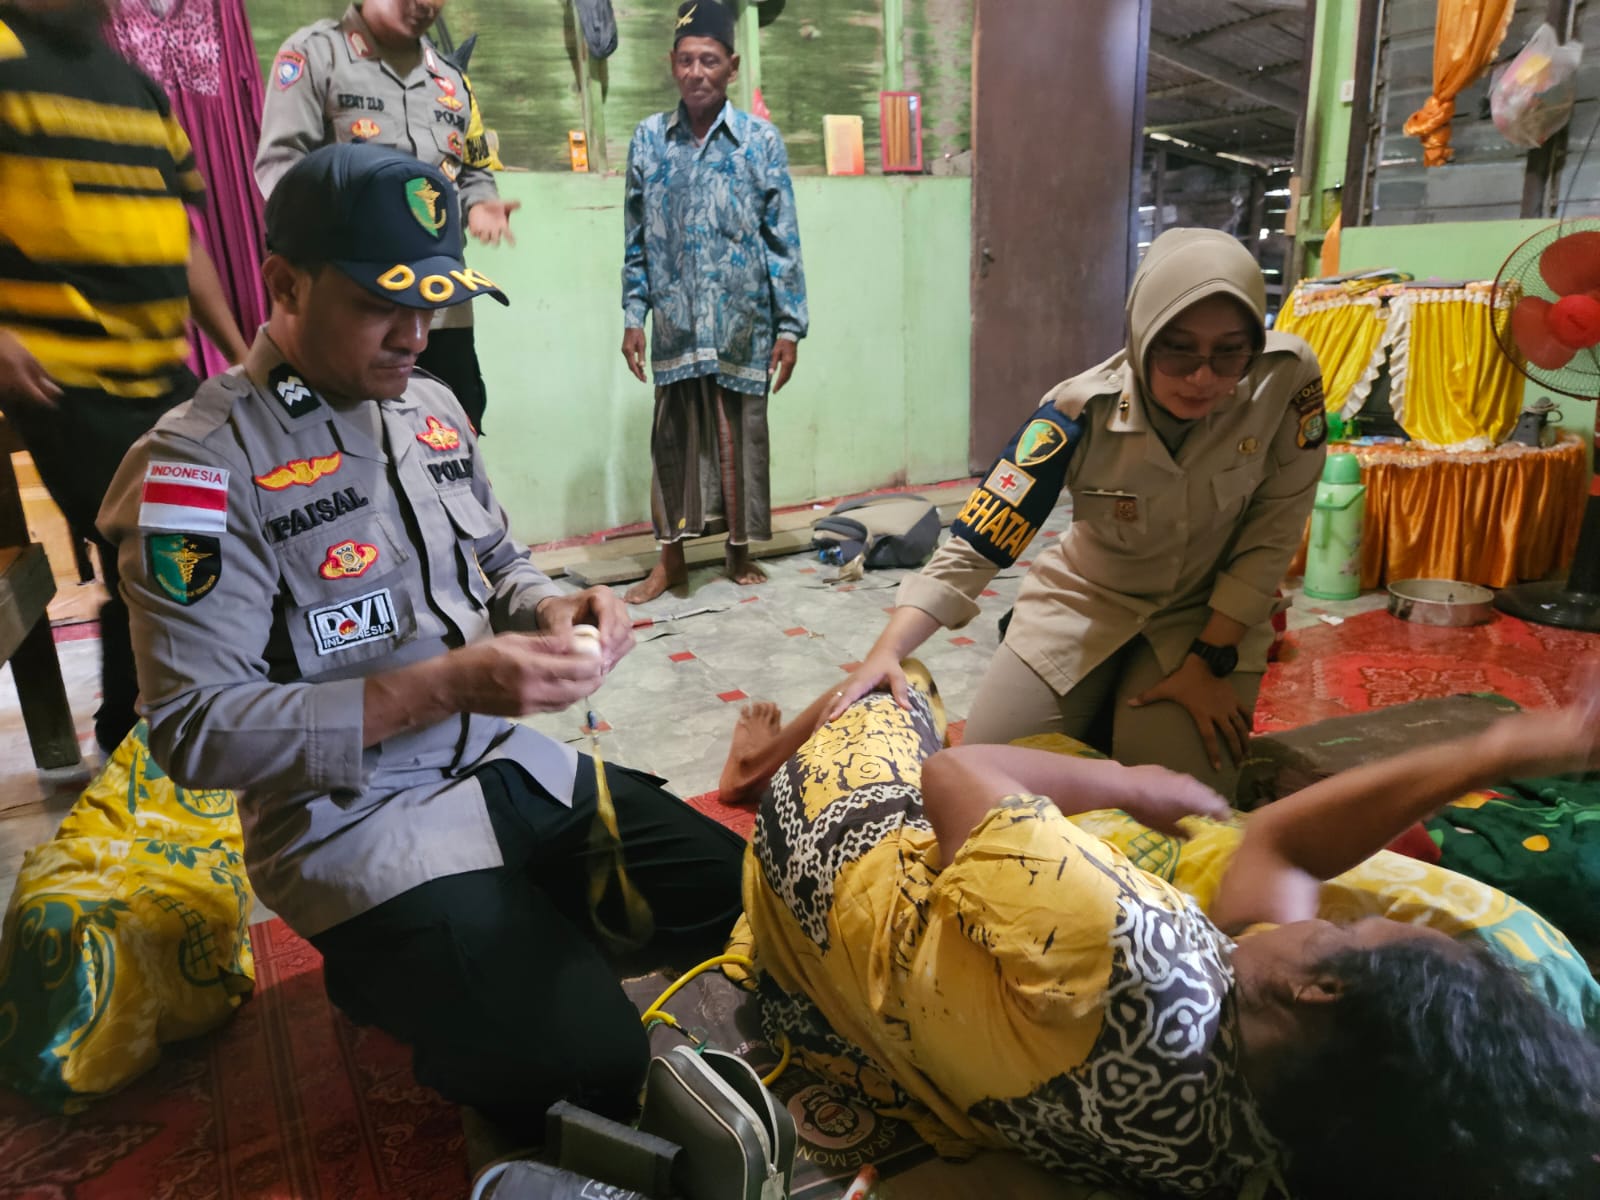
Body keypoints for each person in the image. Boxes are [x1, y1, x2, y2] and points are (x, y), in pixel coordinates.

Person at [98, 144, 745, 1138]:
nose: (416, 335)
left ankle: (503, 939)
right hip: (356, 821)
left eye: (435, 301)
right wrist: (443, 685)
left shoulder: (432, 409)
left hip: (501, 766)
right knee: (590, 1067)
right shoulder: (196, 468)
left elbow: (501, 559)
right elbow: (192, 732)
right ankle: (388, 970)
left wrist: (558, 605)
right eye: (379, 304)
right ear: (283, 285)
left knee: (744, 898)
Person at [723, 676, 1600, 1200]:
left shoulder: (1127, 947)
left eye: (1362, 929)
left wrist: (1126, 783)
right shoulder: (1279, 1130)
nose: (1340, 919)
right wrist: (1499, 752)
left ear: (1322, 986)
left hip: (829, 866)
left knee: (900, 690)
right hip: (943, 1016)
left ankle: (753, 770)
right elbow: (1282, 845)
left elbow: (956, 776)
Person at [827, 229, 1326, 796]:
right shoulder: (1076, 412)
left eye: (1229, 351)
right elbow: (981, 541)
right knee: (988, 787)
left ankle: (1123, 716)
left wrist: (1212, 657)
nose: (1203, 376)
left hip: (1205, 614)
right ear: (1142, 335)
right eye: (1178, 348)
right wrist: (887, 650)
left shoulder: (1284, 381)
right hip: (1086, 601)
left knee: (1174, 806)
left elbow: (1275, 527)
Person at [0, 0, 248, 756]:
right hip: (64, 377)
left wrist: (241, 355)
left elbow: (181, 237)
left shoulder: (136, 85)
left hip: (159, 374)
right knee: (160, 544)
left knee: (192, 542)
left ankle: (142, 725)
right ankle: (149, 732)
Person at [255, 0, 519, 432]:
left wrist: (479, 203)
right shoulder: (317, 56)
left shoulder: (450, 80)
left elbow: (474, 169)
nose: (426, 5)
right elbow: (281, 169)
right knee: (346, 437)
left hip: (441, 307)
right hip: (356, 306)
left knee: (450, 429)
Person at [619, 0, 808, 604]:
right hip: (675, 324)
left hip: (742, 327)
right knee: (671, 444)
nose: (696, 71)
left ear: (732, 65)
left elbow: (783, 239)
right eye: (685, 60)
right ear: (671, 66)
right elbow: (634, 238)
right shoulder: (648, 140)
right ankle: (669, 563)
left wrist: (790, 327)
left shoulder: (759, 141)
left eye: (709, 60)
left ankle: (739, 552)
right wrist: (633, 314)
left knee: (741, 440)